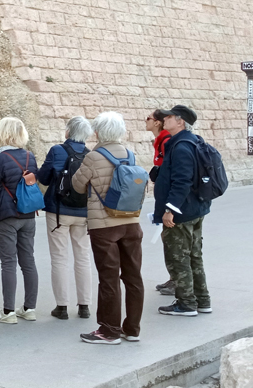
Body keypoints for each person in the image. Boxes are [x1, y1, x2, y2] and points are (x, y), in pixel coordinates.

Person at [72, 112, 144, 344]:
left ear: (98, 132)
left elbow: (77, 185)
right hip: (131, 223)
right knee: (133, 277)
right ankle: (132, 329)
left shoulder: (93, 157)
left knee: (109, 278)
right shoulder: (130, 155)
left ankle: (109, 330)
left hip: (104, 226)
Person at [154, 105, 212, 317]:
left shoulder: (180, 147)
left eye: (169, 117)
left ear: (180, 121)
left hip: (182, 212)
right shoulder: (192, 141)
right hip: (196, 208)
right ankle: (202, 300)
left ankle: (186, 303)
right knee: (194, 255)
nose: (164, 119)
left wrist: (170, 209)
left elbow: (182, 181)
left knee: (179, 257)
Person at [35, 116, 93, 320]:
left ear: (68, 131)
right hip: (84, 213)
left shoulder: (57, 150)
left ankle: (62, 306)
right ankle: (84, 305)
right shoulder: (90, 154)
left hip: (58, 211)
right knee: (83, 257)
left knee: (59, 258)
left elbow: (43, 178)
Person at [0, 117, 42, 325]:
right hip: (27, 215)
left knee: (8, 262)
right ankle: (29, 308)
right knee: (28, 260)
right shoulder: (30, 156)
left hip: (6, 216)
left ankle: (8, 312)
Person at [146, 109, 176, 296]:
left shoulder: (166, 141)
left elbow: (172, 174)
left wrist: (169, 207)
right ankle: (174, 278)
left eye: (148, 118)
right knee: (169, 239)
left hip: (169, 201)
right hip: (165, 198)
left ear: (157, 122)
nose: (145, 121)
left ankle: (177, 282)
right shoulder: (160, 141)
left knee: (174, 241)